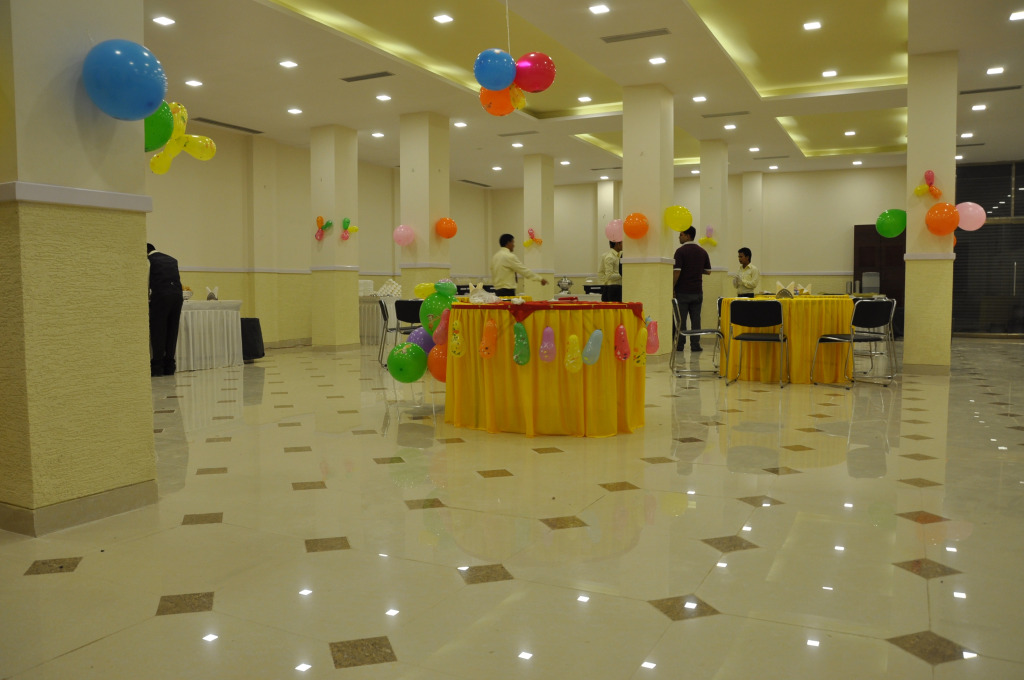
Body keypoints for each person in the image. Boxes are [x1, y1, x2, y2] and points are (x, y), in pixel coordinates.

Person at [147, 243, 184, 376]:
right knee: (172, 330)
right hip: (177, 297)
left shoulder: (149, 260)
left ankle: (157, 366)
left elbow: (146, 281)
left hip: (161, 297)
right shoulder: (172, 260)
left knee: (159, 330)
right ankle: (169, 365)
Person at [672, 226, 711, 351]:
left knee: (681, 320)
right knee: (696, 320)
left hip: (683, 291)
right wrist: (696, 269)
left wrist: (672, 287)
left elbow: (677, 272)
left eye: (681, 235)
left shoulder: (680, 251)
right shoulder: (702, 251)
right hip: (697, 292)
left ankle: (680, 345)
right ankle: (695, 345)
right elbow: (708, 271)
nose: (679, 237)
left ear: (688, 236)